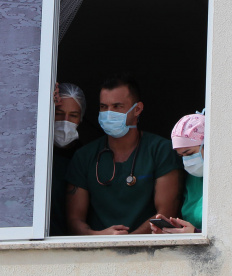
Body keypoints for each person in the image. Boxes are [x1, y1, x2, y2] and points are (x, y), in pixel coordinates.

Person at [65, 74, 181, 235]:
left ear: (137, 109)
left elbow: (166, 213)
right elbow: (74, 220)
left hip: (148, 248)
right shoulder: (84, 156)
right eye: (103, 107)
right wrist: (100, 237)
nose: (108, 113)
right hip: (97, 247)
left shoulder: (161, 150)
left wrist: (128, 242)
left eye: (117, 106)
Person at [150, 112, 205, 235]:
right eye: (181, 156)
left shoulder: (230, 177)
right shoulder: (193, 179)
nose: (187, 161)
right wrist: (177, 229)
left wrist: (196, 233)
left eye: (189, 153)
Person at [50, 82, 86, 236]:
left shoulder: (85, 158)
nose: (65, 121)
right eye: (59, 113)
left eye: (73, 115)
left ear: (80, 119)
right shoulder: (35, 153)